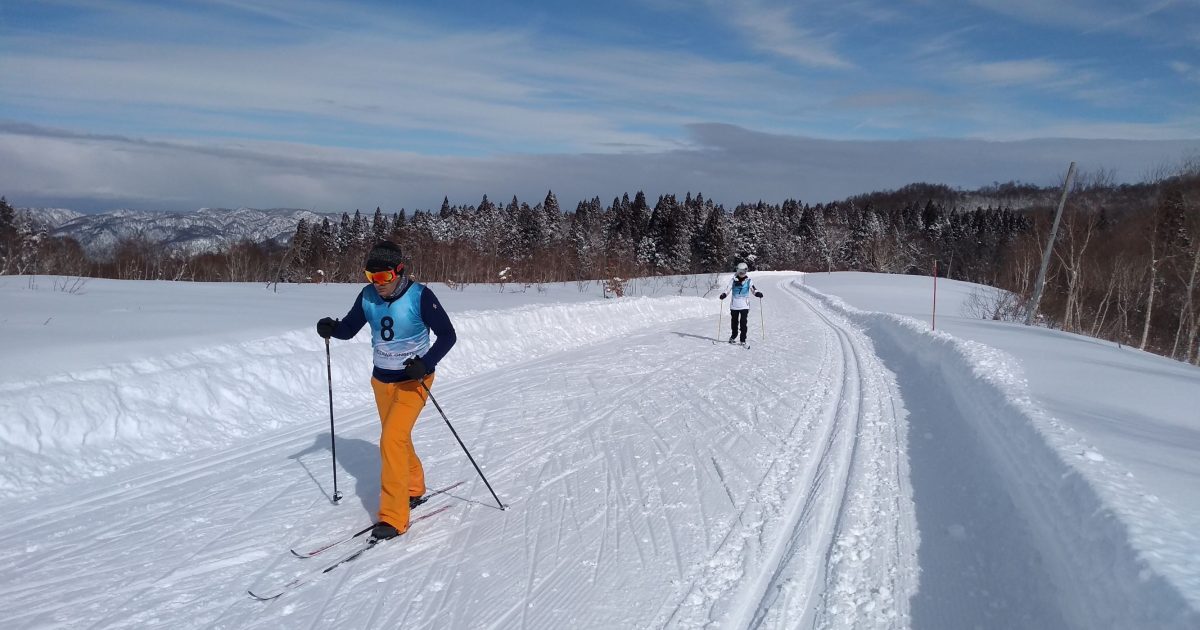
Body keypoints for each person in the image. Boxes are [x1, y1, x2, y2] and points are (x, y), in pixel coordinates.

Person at [316, 240, 457, 541]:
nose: (377, 284)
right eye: (371, 277)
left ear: (399, 271)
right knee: (398, 438)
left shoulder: (420, 296)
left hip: (414, 380)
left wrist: (426, 362)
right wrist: (331, 327)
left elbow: (447, 335)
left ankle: (394, 517)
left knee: (390, 439)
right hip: (381, 381)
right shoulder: (367, 297)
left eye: (383, 277)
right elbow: (349, 328)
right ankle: (415, 486)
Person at [719, 262, 763, 344]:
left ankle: (743, 339)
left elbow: (753, 289)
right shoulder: (733, 280)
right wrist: (724, 294)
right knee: (734, 323)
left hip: (744, 306)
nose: (741, 273)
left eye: (743, 271)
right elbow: (727, 289)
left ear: (746, 271)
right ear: (737, 271)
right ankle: (733, 336)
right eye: (739, 271)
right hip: (734, 306)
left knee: (743, 323)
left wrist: (757, 293)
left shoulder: (749, 281)